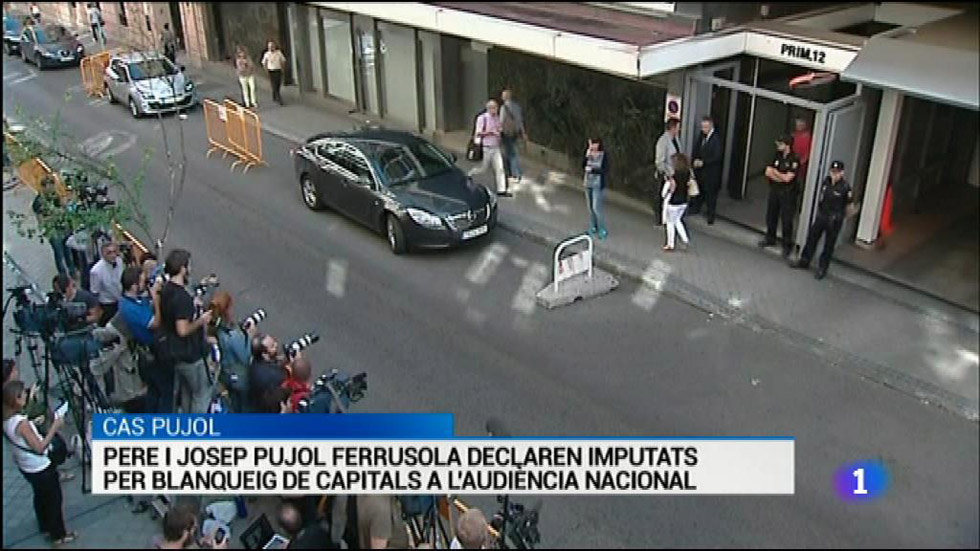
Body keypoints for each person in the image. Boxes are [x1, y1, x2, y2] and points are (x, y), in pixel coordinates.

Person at [3, 380, 78, 547]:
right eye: (24, 394)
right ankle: (58, 535)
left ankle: (44, 524)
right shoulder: (21, 424)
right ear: (16, 400)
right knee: (54, 500)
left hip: (26, 467)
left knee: (40, 496)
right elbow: (39, 447)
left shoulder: (7, 420)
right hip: (40, 467)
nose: (26, 395)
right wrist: (55, 427)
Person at [156, 249, 212, 414]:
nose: (190, 269)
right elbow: (182, 330)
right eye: (188, 266)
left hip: (174, 353)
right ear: (182, 268)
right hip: (190, 355)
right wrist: (201, 320)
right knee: (200, 395)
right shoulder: (182, 298)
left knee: (187, 393)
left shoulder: (167, 290)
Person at [791, 160, 854, 280]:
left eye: (837, 172)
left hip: (834, 220)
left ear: (842, 173)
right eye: (832, 171)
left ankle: (822, 268)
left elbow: (850, 207)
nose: (834, 174)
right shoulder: (826, 182)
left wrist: (840, 217)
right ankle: (804, 260)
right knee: (812, 238)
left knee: (828, 245)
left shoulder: (845, 188)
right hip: (822, 215)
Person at [208, 291, 257, 413]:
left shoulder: (213, 328)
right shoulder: (231, 336)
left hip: (224, 374)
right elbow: (245, 357)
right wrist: (249, 336)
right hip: (238, 378)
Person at [758, 134, 800, 258]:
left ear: (787, 145)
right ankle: (770, 238)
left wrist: (776, 173)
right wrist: (779, 176)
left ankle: (787, 245)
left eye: (780, 144)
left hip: (788, 193)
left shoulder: (794, 159)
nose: (778, 146)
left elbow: (788, 179)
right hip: (775, 190)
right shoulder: (777, 155)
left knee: (786, 219)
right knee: (771, 215)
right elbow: (768, 172)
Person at [32, 179, 74, 278]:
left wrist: (65, 205)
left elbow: (63, 207)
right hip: (53, 231)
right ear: (43, 187)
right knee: (59, 254)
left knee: (68, 251)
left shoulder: (54, 195)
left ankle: (72, 271)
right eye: (50, 187)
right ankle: (63, 275)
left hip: (63, 227)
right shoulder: (38, 202)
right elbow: (41, 221)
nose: (52, 189)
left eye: (52, 186)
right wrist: (54, 215)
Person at [468, 99, 508, 196]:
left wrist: (499, 132)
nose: (495, 110)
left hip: (496, 146)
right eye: (492, 108)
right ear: (488, 108)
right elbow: (478, 133)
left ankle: (501, 190)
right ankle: (470, 174)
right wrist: (490, 132)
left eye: (496, 108)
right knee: (483, 168)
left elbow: (499, 129)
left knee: (500, 168)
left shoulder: (497, 118)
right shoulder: (482, 118)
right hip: (486, 147)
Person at [691, 116, 723, 224]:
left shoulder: (716, 139)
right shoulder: (702, 136)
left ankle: (710, 216)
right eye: (702, 127)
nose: (703, 129)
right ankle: (696, 208)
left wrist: (703, 162)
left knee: (711, 195)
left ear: (711, 126)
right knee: (700, 191)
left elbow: (717, 156)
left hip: (711, 173)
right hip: (701, 172)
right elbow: (697, 149)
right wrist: (695, 160)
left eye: (705, 127)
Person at [661, 153, 695, 252]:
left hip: (673, 203)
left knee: (670, 223)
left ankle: (670, 244)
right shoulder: (688, 174)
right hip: (683, 202)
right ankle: (685, 239)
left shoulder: (673, 177)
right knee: (678, 221)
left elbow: (664, 193)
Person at [248, 332, 287, 412]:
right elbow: (287, 379)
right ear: (264, 354)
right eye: (272, 346)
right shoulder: (272, 375)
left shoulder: (256, 361)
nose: (276, 344)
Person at [654, 118, 682, 226]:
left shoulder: (676, 139)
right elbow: (659, 160)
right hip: (666, 174)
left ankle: (668, 217)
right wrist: (666, 173)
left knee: (670, 197)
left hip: (675, 172)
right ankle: (660, 218)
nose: (679, 129)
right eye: (678, 127)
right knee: (662, 196)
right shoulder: (663, 141)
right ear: (672, 128)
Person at [90, 241, 124, 326]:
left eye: (114, 252)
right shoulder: (96, 271)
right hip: (108, 304)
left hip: (121, 299)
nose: (113, 255)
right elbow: (95, 292)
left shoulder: (119, 261)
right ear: (103, 254)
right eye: (109, 253)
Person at [582, 138, 609, 239]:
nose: (593, 146)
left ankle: (602, 229)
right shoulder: (589, 153)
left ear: (599, 144)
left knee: (596, 207)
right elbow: (583, 165)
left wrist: (593, 170)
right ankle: (594, 226)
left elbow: (605, 170)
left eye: (595, 143)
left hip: (597, 184)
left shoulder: (603, 155)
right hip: (588, 183)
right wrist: (586, 156)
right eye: (592, 143)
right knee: (590, 207)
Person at [499, 89, 525, 185]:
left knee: (510, 153)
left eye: (503, 95)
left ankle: (515, 174)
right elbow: (520, 121)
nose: (502, 97)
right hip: (515, 132)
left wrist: (498, 132)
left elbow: (501, 121)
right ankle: (512, 173)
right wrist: (523, 132)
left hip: (506, 133)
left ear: (505, 97)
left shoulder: (503, 108)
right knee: (512, 151)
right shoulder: (517, 107)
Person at [261, 41, 287, 106]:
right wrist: (266, 70)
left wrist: (283, 68)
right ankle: (279, 98)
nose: (271, 48)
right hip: (271, 71)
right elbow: (264, 63)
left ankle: (275, 94)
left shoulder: (279, 53)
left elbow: (283, 61)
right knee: (274, 84)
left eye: (272, 46)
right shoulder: (267, 54)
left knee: (278, 84)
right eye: (270, 47)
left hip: (278, 70)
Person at [792, 118, 812, 188]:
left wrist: (802, 161)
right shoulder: (793, 135)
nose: (799, 124)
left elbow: (809, 152)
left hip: (804, 166)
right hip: (793, 164)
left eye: (801, 122)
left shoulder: (809, 137)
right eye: (798, 122)